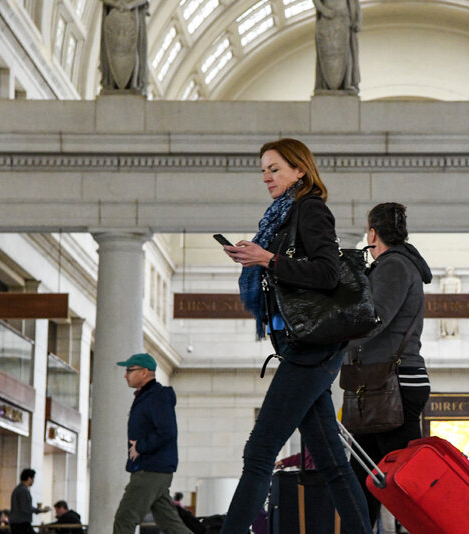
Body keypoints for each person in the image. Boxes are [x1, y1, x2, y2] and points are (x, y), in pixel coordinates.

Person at [218, 138, 371, 534]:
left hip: (312, 348)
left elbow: (327, 273)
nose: (267, 177)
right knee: (333, 463)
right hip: (300, 347)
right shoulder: (281, 217)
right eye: (264, 170)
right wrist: (257, 256)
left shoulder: (311, 209)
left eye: (275, 168)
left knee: (260, 451)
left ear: (300, 170)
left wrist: (267, 258)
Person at [343, 201, 433, 532]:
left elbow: (374, 317)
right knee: (365, 478)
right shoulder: (393, 266)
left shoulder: (394, 266)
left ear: (373, 233)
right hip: (381, 384)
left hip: (390, 385)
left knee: (403, 482)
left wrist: (335, 330)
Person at [112, 352, 192, 534]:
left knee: (125, 518)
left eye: (129, 370)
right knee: (170, 524)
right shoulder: (147, 397)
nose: (125, 374)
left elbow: (167, 432)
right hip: (153, 468)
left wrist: (140, 446)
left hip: (151, 469)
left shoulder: (157, 397)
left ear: (144, 372)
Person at [9, 469, 50, 534]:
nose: (33, 481)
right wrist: (39, 510)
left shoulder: (17, 489)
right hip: (21, 523)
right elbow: (25, 508)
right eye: (33, 479)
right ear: (29, 478)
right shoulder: (23, 491)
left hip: (16, 523)